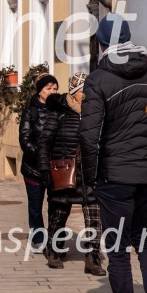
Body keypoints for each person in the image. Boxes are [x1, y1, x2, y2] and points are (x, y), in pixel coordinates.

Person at [79, 13, 147, 293]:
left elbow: (89, 135)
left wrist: (90, 179)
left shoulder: (98, 79)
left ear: (102, 43)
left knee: (117, 246)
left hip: (115, 175)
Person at [38, 73, 106, 276]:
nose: (87, 95)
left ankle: (93, 257)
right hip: (65, 171)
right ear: (74, 92)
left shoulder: (96, 113)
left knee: (94, 216)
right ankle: (53, 249)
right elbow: (44, 143)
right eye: (83, 91)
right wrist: (44, 169)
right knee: (59, 213)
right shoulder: (59, 113)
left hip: (90, 173)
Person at [19, 72, 59, 251]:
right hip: (33, 168)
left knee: (56, 205)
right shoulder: (30, 111)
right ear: (39, 91)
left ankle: (54, 239)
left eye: (55, 88)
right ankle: (38, 237)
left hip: (55, 167)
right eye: (48, 88)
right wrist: (42, 155)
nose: (52, 92)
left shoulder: (60, 110)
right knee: (35, 206)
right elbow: (25, 140)